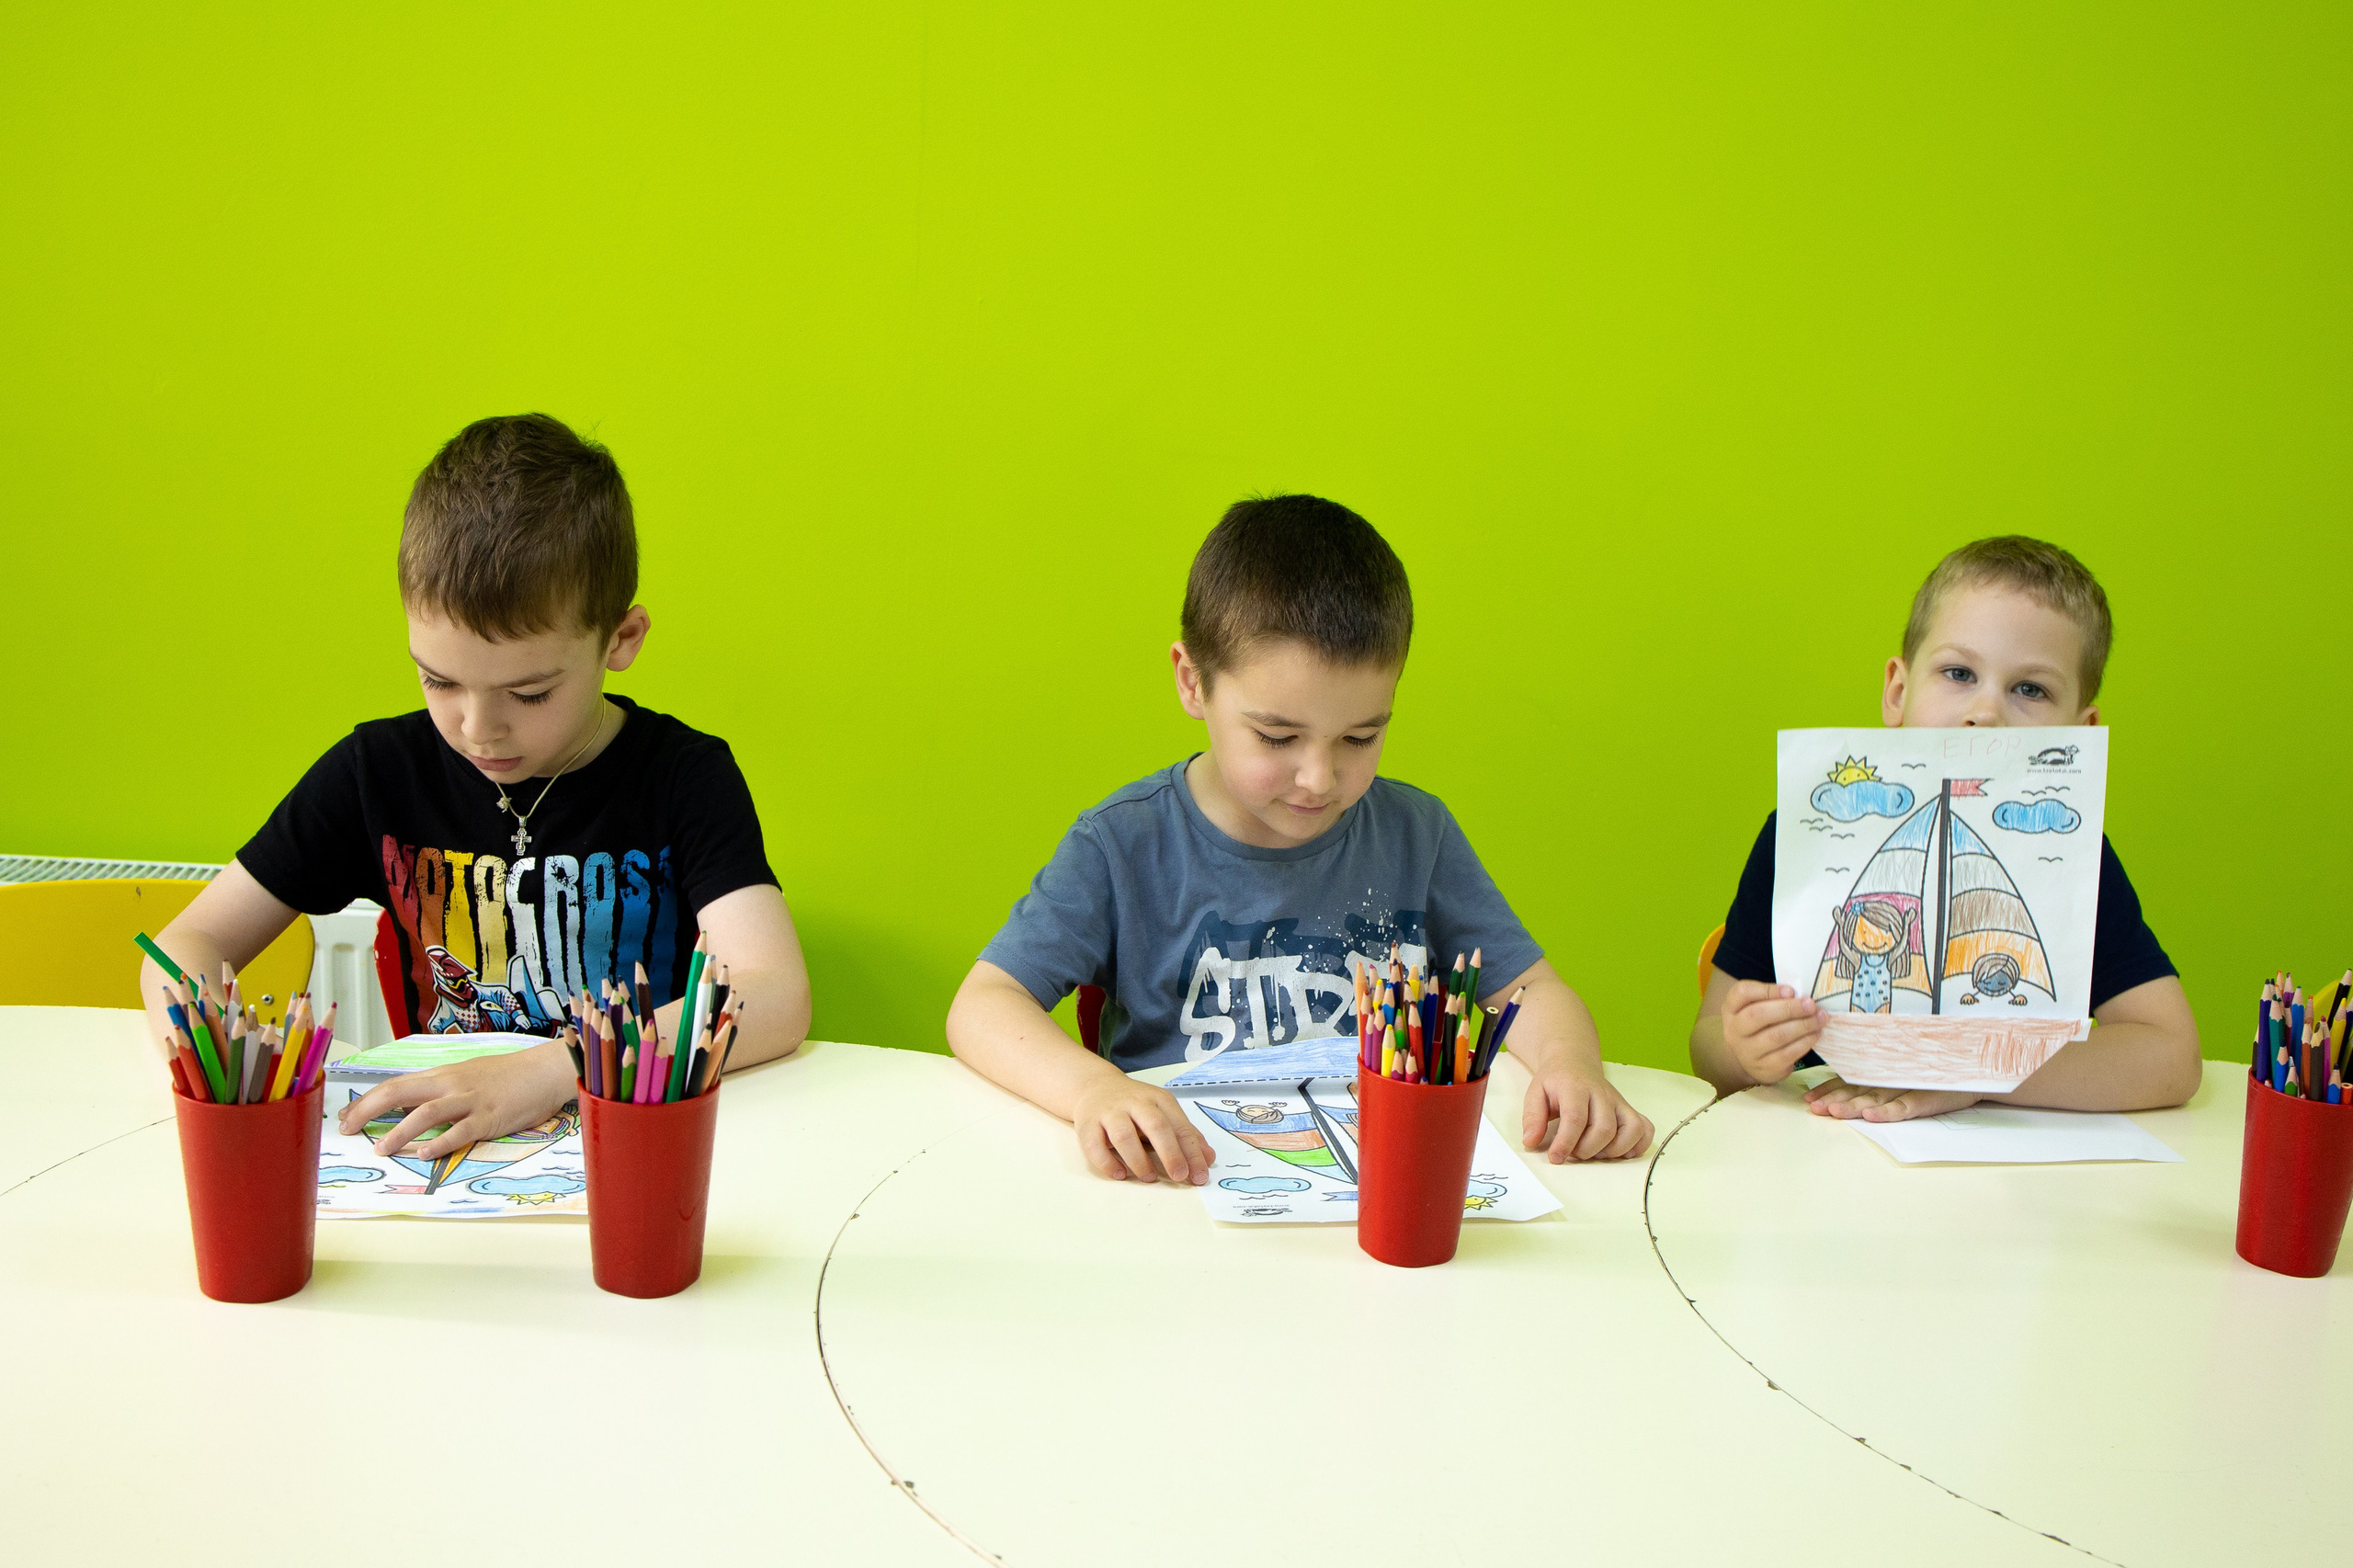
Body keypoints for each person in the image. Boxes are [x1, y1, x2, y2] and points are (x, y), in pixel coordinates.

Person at [140, 415, 812, 1154]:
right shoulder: (377, 771)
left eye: (529, 693)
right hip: (441, 1160)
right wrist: (209, 1040)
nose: (477, 728)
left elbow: (775, 993)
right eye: (439, 680)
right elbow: (186, 942)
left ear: (620, 640)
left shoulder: (683, 775)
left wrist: (553, 1070)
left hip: (631, 1147)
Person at [945, 494, 1653, 1185]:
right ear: (1193, 683)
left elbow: (1527, 986)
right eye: (1277, 737)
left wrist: (1570, 1067)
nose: (1320, 778)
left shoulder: (1416, 834)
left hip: (1381, 1186)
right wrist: (1093, 1090)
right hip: (1186, 1189)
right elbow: (984, 1003)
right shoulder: (1123, 844)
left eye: (1360, 737)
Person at [1689, 536, 2200, 1120]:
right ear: (1898, 692)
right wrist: (1743, 1050)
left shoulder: (2074, 861)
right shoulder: (1800, 838)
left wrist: (1977, 1075)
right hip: (1830, 1139)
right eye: (1959, 673)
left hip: (2007, 1156)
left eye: (2030, 689)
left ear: (2079, 735)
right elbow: (1707, 1047)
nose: (1985, 712)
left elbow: (2173, 1056)